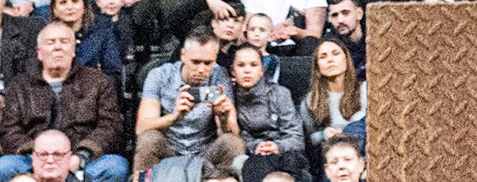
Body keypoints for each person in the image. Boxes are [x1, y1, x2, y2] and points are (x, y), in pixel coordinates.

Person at [0, 24, 124, 182]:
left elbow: (109, 126)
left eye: (64, 41)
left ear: (73, 50)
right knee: (5, 167)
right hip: (34, 159)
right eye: (51, 42)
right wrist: (39, 157)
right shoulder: (20, 85)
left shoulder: (97, 81)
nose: (58, 47)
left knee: (115, 167)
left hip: (82, 160)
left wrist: (81, 155)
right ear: (39, 52)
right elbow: (10, 130)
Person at [132, 29, 241, 177]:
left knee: (232, 143)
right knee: (148, 139)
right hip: (168, 149)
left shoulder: (219, 75)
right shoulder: (160, 75)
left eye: (208, 63)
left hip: (205, 152)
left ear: (215, 58)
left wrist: (222, 119)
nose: (201, 69)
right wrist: (174, 116)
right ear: (183, 55)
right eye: (195, 62)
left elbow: (233, 133)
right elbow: (141, 128)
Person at [223, 44, 304, 182]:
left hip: (284, 153)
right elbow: (239, 136)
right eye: (241, 65)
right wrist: (256, 146)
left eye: (253, 65)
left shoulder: (280, 93)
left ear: (262, 70)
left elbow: (296, 137)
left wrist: (277, 146)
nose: (247, 70)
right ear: (233, 71)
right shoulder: (231, 98)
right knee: (256, 164)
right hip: (253, 154)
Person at [298, 42, 362, 158]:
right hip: (333, 155)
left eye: (335, 54)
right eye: (323, 57)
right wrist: (324, 134)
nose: (330, 60)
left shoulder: (366, 90)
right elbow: (310, 138)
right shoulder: (311, 100)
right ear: (317, 65)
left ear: (346, 59)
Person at [46, 0, 120, 82]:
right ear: (54, 9)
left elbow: (113, 74)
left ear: (84, 6)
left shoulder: (102, 34)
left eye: (75, 1)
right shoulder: (45, 36)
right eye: (63, 2)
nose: (69, 7)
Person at [322, 0, 364, 77]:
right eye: (335, 15)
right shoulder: (328, 45)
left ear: (359, 14)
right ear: (329, 19)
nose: (340, 20)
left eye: (345, 13)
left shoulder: (375, 37)